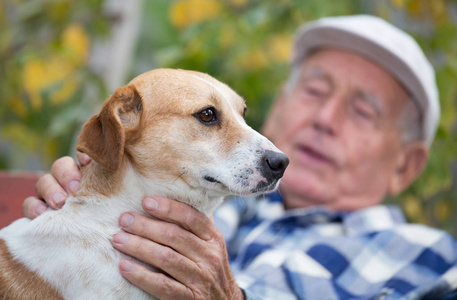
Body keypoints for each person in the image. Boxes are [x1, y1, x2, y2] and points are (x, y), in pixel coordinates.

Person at [23, 15, 457, 299]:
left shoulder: (428, 256)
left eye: (363, 111)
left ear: (407, 165)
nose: (325, 118)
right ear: (281, 104)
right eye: (315, 91)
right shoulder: (204, 187)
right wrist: (79, 201)